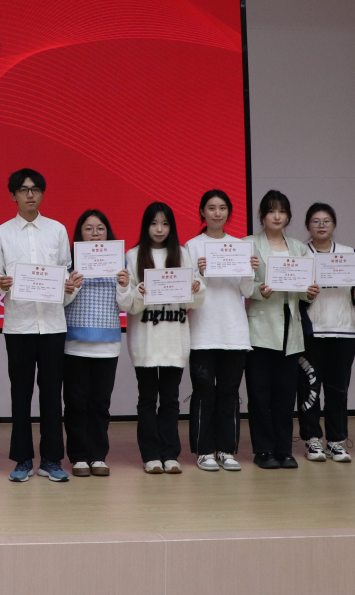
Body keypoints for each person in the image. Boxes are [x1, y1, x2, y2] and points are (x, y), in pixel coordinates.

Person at [0, 168, 72, 483]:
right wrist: (0, 284)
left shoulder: (57, 230)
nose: (30, 195)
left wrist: (68, 286)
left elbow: (65, 272)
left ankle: (51, 459)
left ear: (42, 193)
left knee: (52, 395)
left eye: (35, 189)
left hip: (52, 324)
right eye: (23, 189)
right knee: (20, 394)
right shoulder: (1, 233)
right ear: (13, 195)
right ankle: (23, 459)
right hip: (19, 326)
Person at [118, 203, 202, 474]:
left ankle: (170, 454)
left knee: (170, 400)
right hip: (145, 341)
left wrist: (196, 288)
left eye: (165, 224)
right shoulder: (133, 255)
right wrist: (139, 291)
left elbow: (196, 300)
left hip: (174, 340)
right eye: (154, 223)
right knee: (146, 399)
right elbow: (128, 305)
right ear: (146, 226)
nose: (159, 229)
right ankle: (151, 455)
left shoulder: (182, 254)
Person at [185, 189, 257, 472]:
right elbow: (187, 292)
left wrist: (249, 270)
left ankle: (226, 450)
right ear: (202, 212)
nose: (217, 213)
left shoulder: (239, 245)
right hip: (202, 331)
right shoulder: (192, 246)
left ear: (229, 212)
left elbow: (246, 290)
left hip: (233, 331)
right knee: (203, 393)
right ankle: (204, 451)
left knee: (229, 392)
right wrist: (200, 273)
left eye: (223, 208)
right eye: (211, 208)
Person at [245, 190, 312, 470]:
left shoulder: (298, 247)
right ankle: (263, 450)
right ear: (262, 215)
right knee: (260, 392)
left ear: (288, 216)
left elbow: (305, 287)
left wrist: (310, 291)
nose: (277, 216)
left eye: (282, 211)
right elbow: (241, 284)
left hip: (290, 324)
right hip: (260, 324)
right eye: (271, 211)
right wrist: (258, 290)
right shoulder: (248, 244)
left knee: (286, 392)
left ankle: (284, 449)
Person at [298, 202, 355, 464]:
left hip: (343, 331)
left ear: (334, 224)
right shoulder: (300, 254)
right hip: (311, 332)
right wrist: (305, 293)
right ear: (308, 226)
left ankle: (336, 441)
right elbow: (294, 295)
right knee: (309, 388)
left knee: (338, 390)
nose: (321, 225)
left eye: (326, 221)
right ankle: (312, 439)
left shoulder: (349, 254)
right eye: (315, 221)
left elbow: (352, 296)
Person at [61, 209, 129, 478]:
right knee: (75, 403)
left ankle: (98, 455)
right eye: (88, 229)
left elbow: (126, 304)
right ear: (80, 233)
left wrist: (124, 285)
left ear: (107, 232)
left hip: (107, 344)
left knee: (100, 404)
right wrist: (72, 286)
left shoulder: (119, 261)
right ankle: (78, 457)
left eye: (100, 228)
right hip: (75, 342)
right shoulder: (70, 262)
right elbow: (61, 302)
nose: (95, 234)